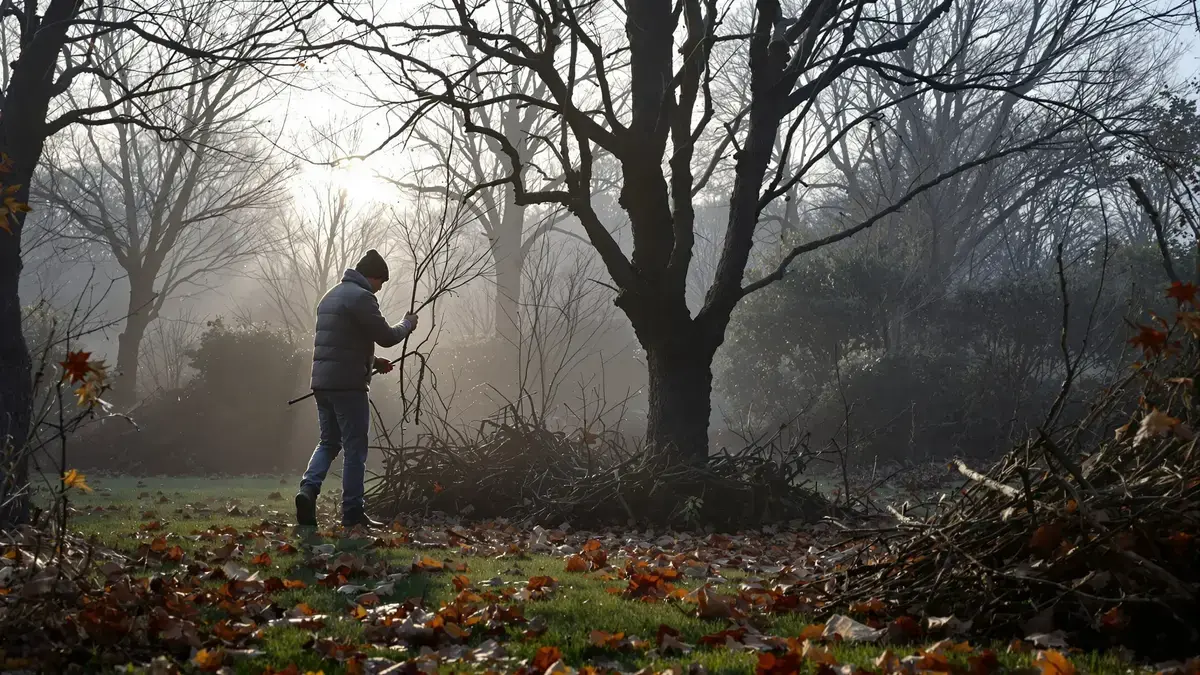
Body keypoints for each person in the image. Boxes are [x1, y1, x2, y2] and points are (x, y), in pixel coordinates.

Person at [295, 249, 418, 528]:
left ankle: (308, 490)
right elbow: (387, 336)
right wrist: (408, 324)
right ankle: (352, 513)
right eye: (381, 282)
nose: (380, 288)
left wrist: (373, 361)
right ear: (373, 276)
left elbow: (340, 342)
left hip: (322, 383)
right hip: (349, 385)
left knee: (328, 442)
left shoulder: (330, 296)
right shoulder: (362, 297)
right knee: (355, 449)